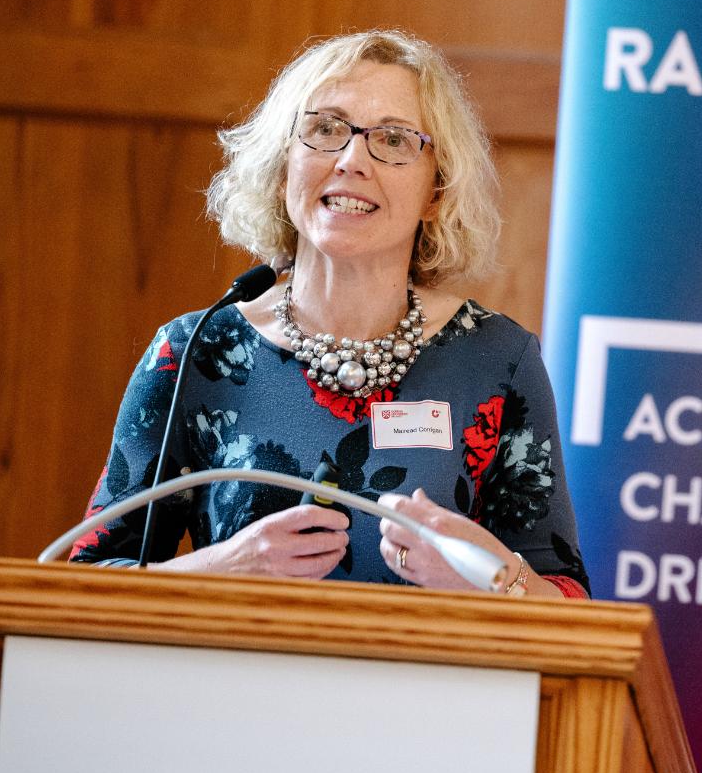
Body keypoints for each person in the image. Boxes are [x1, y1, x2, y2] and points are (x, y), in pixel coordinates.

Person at [69, 30, 589, 598]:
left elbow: (568, 602)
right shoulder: (195, 352)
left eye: (393, 139)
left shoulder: (497, 360)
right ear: (283, 168)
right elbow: (81, 588)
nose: (351, 160)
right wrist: (222, 568)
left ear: (436, 191)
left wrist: (493, 580)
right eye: (325, 129)